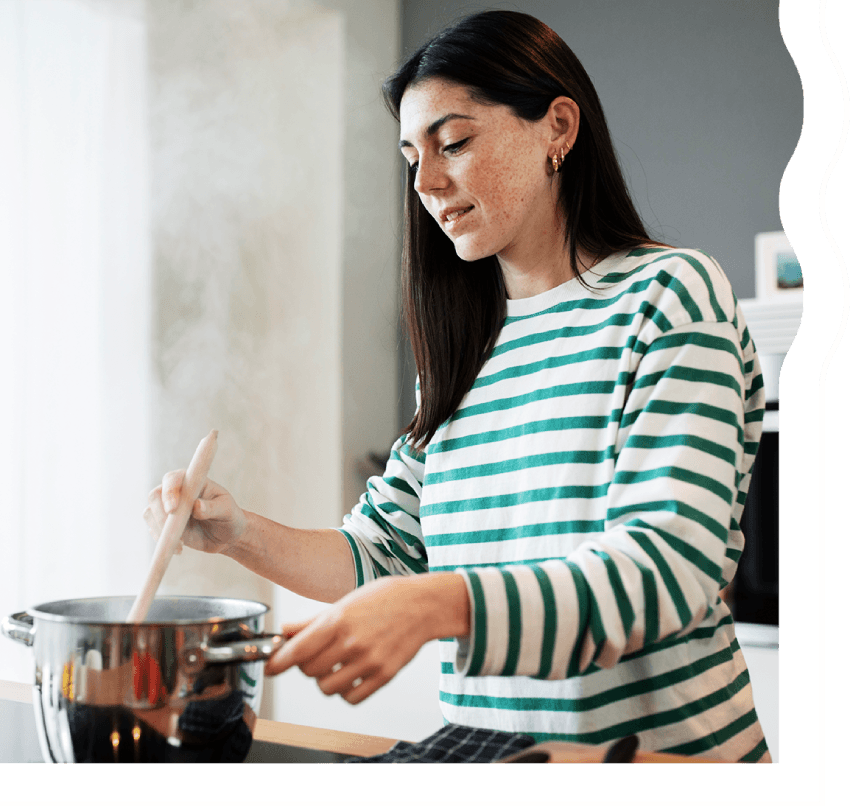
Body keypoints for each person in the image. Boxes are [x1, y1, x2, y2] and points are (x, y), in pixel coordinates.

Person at [145, 10, 771, 763]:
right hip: (499, 760)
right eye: (412, 156)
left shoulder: (669, 296)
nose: (427, 182)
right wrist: (239, 533)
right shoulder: (464, 350)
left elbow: (664, 568)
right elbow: (380, 556)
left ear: (558, 129)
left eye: (455, 142)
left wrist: (442, 601)